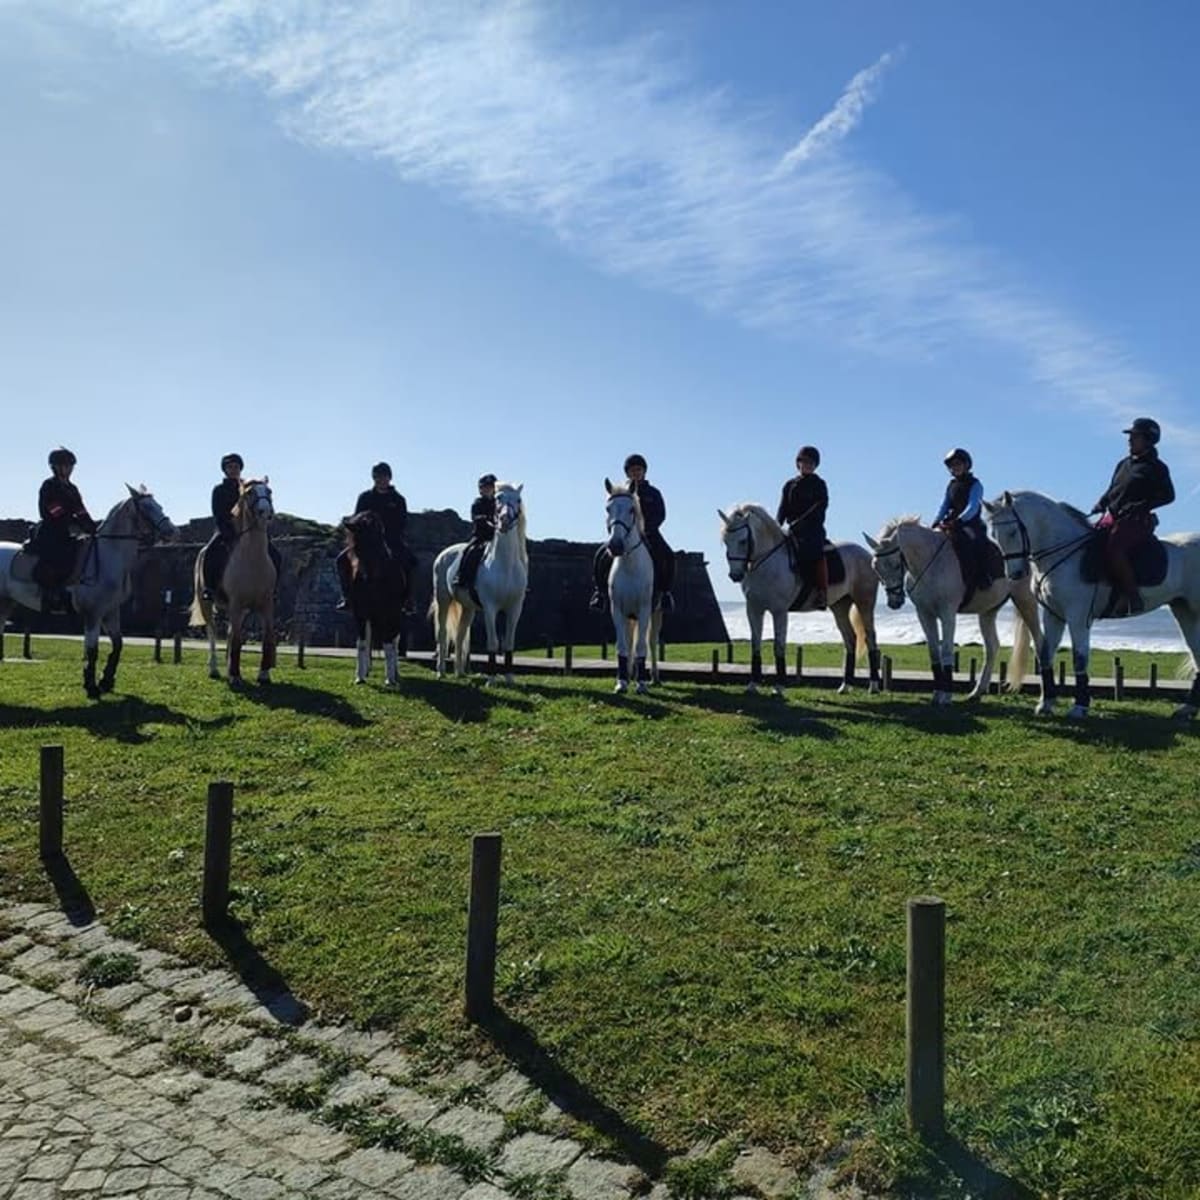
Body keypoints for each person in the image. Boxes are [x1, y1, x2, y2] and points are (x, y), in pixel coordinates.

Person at [1089, 417, 1174, 615]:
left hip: (1138, 521)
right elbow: (1112, 490)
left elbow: (1169, 496)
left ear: (1148, 440)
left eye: (1135, 436)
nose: (1129, 440)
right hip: (1114, 518)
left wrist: (1142, 505)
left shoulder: (1157, 468)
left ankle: (1132, 597)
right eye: (1131, 436)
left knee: (1115, 548)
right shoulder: (1123, 464)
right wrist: (1101, 503)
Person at [589, 454, 676, 613]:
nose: (636, 473)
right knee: (600, 556)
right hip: (624, 533)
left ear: (644, 472)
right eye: (632, 470)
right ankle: (599, 593)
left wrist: (647, 528)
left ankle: (665, 594)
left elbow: (660, 514)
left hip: (649, 533)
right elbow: (613, 514)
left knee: (668, 556)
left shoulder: (653, 493)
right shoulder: (621, 493)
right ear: (627, 473)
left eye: (639, 470)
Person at [336, 462, 418, 611]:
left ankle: (408, 599)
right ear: (373, 478)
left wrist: (387, 534)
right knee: (341, 560)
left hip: (391, 540)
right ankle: (346, 597)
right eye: (377, 477)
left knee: (411, 561)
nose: (381, 480)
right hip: (366, 540)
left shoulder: (398, 499)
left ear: (390, 478)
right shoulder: (365, 497)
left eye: (384, 476)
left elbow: (402, 522)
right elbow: (357, 518)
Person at [200, 453, 282, 602]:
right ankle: (209, 588)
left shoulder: (249, 489)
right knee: (211, 552)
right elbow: (218, 514)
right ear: (225, 470)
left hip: (250, 531)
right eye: (230, 467)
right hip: (226, 530)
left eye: (236, 467)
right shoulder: (219, 490)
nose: (233, 470)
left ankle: (273, 589)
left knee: (276, 554)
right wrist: (228, 530)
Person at [31, 448, 96, 611]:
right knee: (57, 555)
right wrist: (72, 521)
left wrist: (91, 526)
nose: (69, 469)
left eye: (70, 466)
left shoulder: (72, 489)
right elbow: (53, 509)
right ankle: (50, 592)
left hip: (67, 531)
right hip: (51, 531)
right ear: (55, 467)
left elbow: (80, 510)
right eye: (66, 465)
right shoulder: (49, 485)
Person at [932, 447, 991, 594]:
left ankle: (983, 576)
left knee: (977, 544)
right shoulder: (951, 486)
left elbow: (973, 506)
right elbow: (945, 505)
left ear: (966, 465)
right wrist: (936, 521)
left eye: (958, 464)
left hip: (971, 524)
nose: (955, 468)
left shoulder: (975, 484)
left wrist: (960, 520)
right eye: (952, 466)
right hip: (952, 523)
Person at [776, 445, 829, 608]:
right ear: (798, 463)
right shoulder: (789, 485)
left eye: (811, 463)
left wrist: (800, 522)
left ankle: (822, 592)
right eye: (804, 462)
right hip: (792, 530)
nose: (807, 465)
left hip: (812, 530)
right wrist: (776, 526)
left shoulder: (819, 484)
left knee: (815, 553)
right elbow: (783, 508)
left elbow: (819, 507)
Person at [454, 474, 498, 596]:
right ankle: (461, 577)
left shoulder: (498, 503)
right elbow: (475, 517)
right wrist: (484, 519)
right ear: (481, 489)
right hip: (481, 536)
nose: (488, 489)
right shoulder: (477, 503)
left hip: (497, 537)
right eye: (486, 487)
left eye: (491, 487)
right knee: (469, 551)